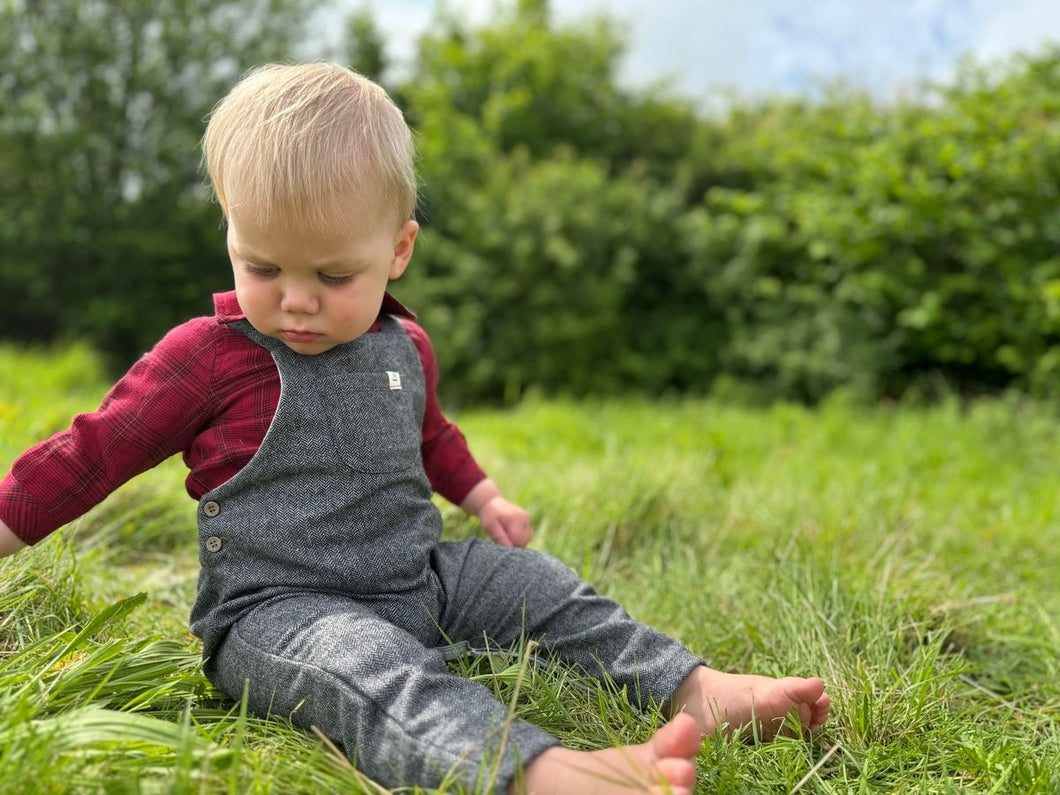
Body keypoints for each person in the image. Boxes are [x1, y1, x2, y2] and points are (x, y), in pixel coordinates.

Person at [0, 63, 830, 794]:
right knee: (373, 673)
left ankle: (697, 688)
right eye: (262, 266)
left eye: (333, 274)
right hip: (280, 614)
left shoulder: (405, 345)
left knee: (543, 587)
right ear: (229, 232)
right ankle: (541, 772)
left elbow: (430, 434)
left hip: (420, 579)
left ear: (397, 250)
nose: (295, 298)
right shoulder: (209, 358)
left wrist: (483, 493)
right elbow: (91, 451)